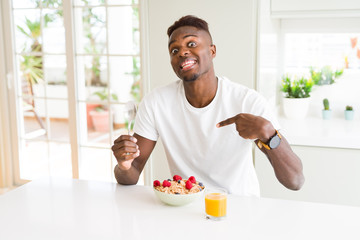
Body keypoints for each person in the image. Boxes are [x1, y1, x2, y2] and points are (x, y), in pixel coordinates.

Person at [112, 15, 304, 196]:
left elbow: (295, 181)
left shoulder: (247, 101)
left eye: (191, 44)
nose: (183, 52)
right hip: (185, 206)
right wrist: (124, 165)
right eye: (174, 50)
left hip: (239, 207)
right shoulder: (156, 103)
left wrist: (268, 133)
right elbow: (131, 174)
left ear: (212, 51)